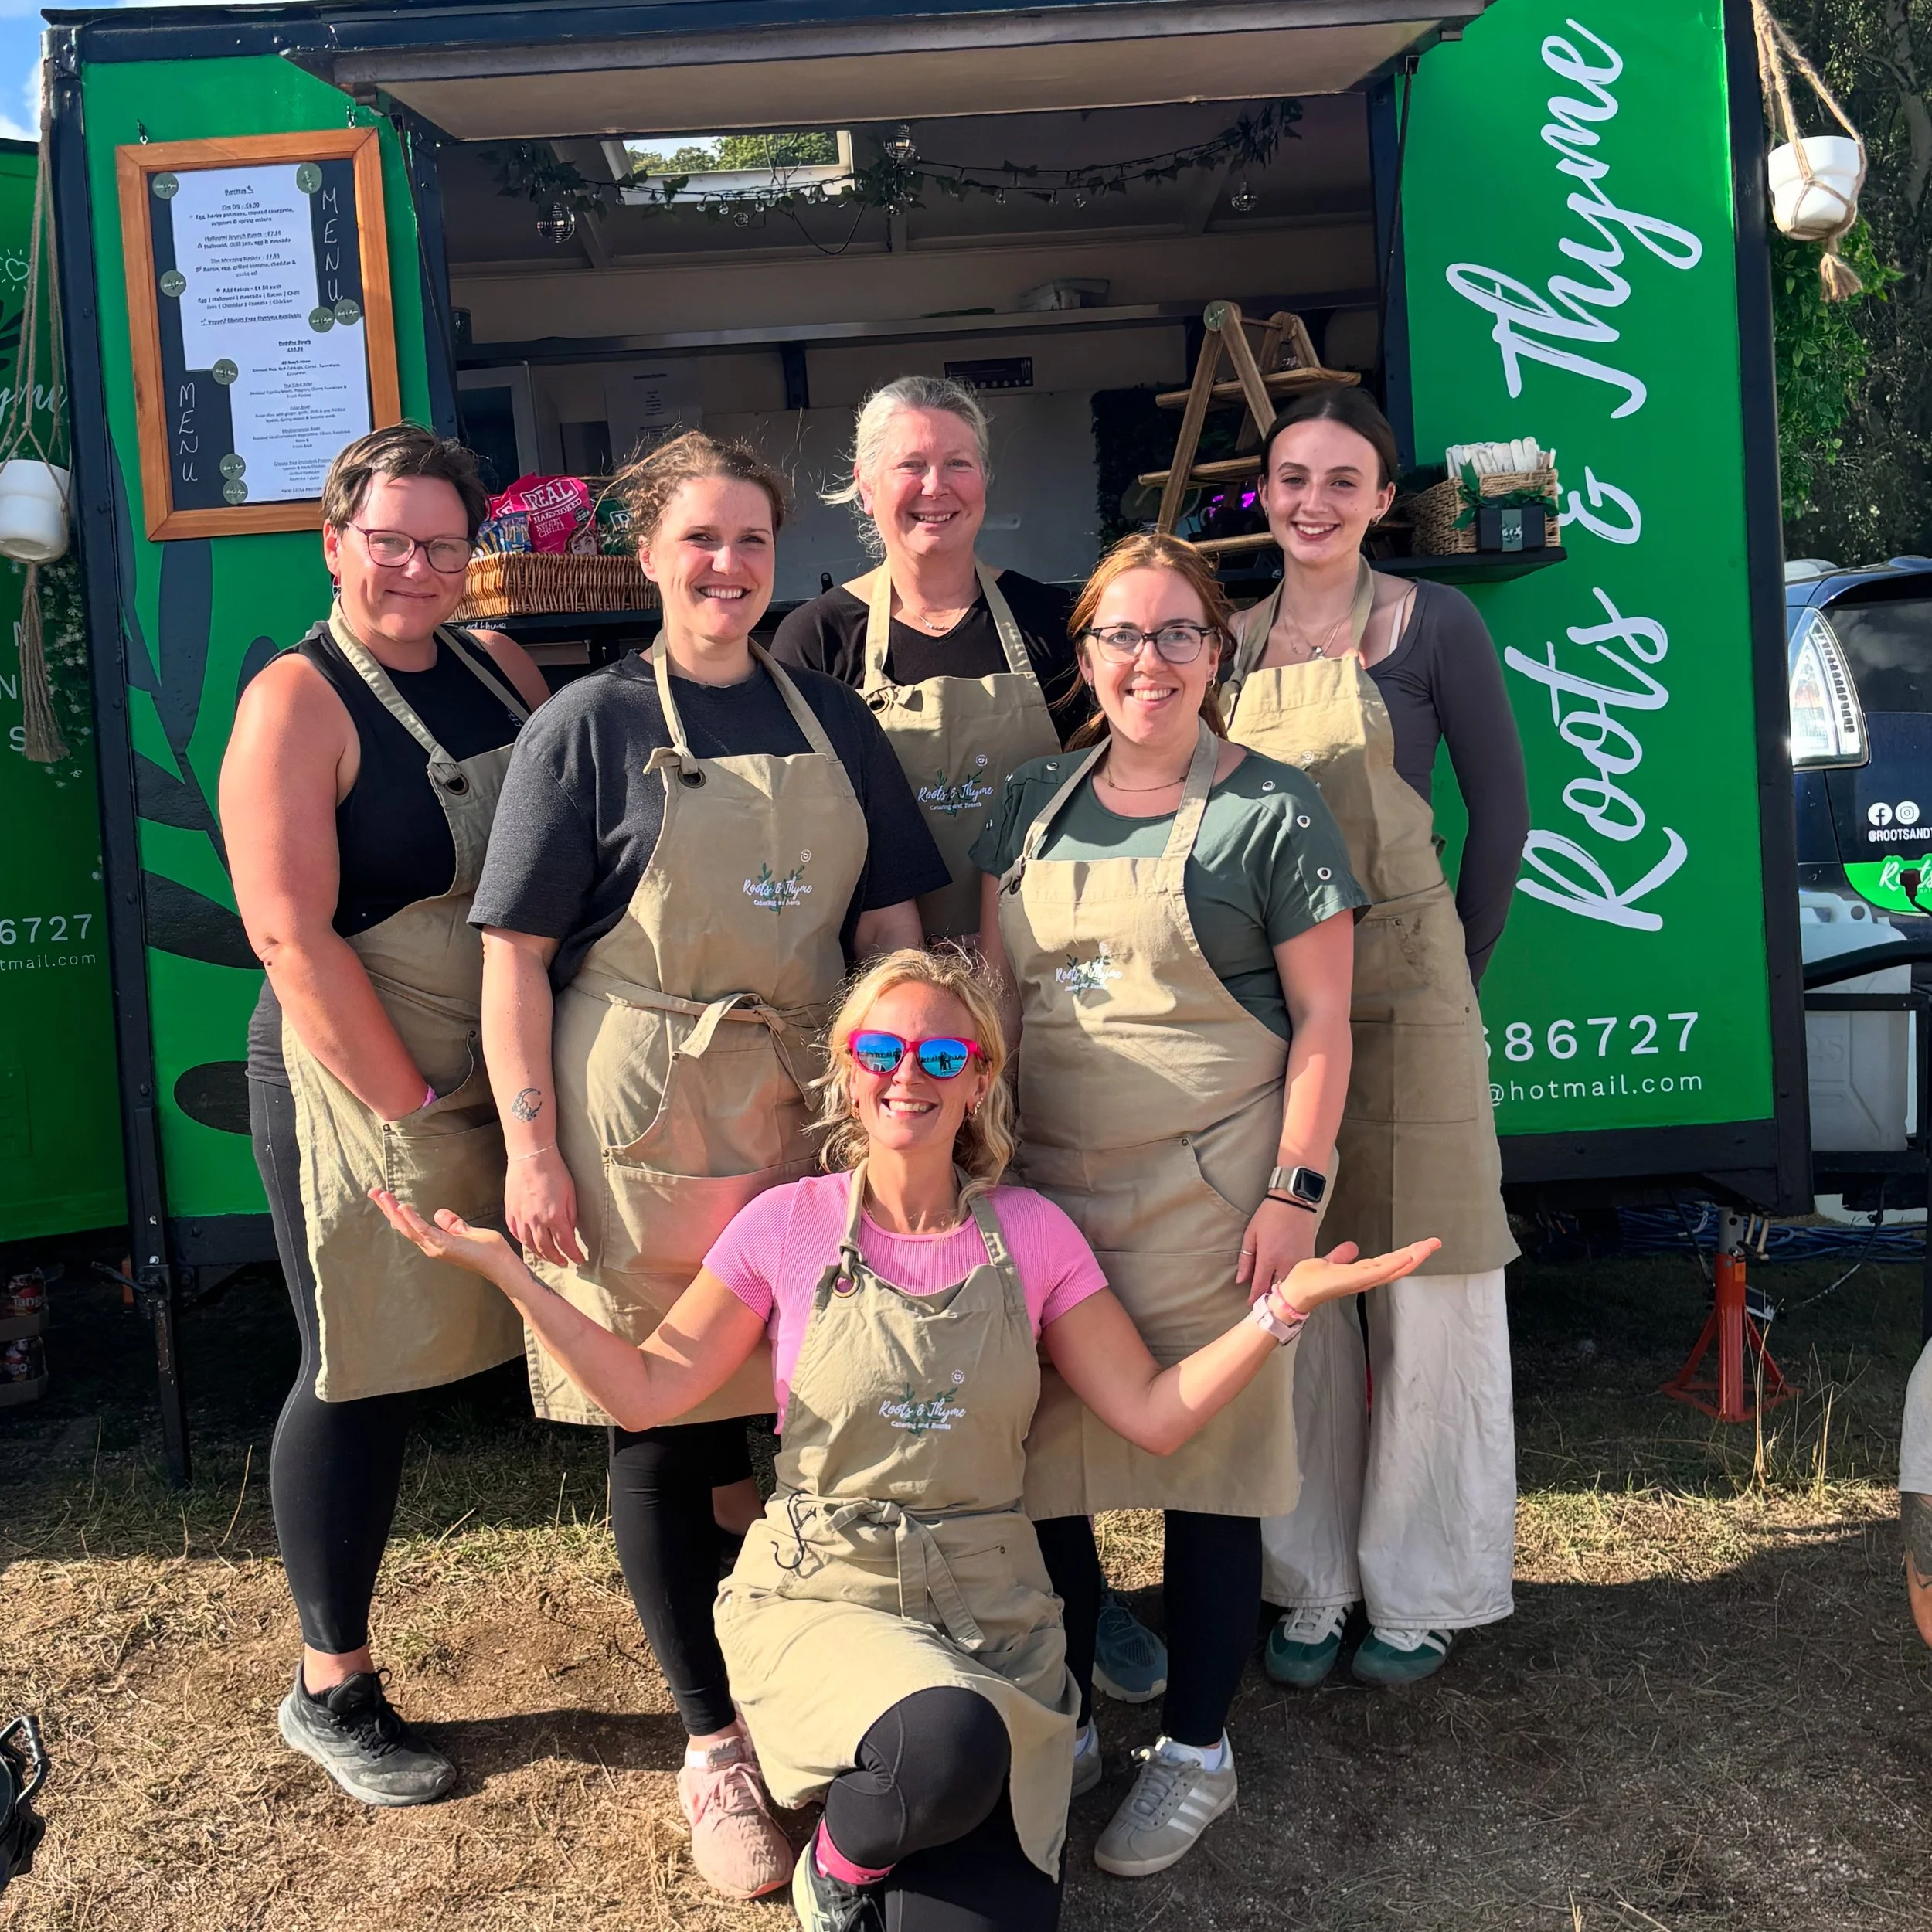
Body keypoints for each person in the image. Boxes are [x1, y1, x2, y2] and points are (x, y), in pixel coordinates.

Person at [368, 947, 1438, 1930]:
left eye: (940, 1053)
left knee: (1001, 1909)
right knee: (947, 1739)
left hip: (990, 1611)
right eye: (880, 1049)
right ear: (845, 1072)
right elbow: (648, 1392)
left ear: (980, 1080)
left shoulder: (1033, 1234)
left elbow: (1153, 1412)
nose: (906, 1075)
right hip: (825, 1592)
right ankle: (840, 1862)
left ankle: (891, 1799)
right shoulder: (785, 1224)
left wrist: (1278, 1311)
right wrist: (514, 1274)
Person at [466, 430, 947, 1899]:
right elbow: (516, 959)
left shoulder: (831, 717)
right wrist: (532, 1151)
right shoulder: (594, 727)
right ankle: (712, 1743)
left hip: (813, 1101)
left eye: (751, 541)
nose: (728, 568)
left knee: (824, 1404)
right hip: (645, 1120)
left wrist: (906, 1097)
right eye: (699, 542)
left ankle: (824, 1675)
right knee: (666, 1427)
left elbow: (884, 925)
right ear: (649, 552)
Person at [975, 532, 1366, 1876]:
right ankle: (1078, 1697)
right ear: (1085, 660)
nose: (1152, 662)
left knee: (1210, 1478)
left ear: (1220, 651)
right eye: (1123, 638)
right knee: (1048, 1472)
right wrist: (983, 1181)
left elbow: (1324, 1023)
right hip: (1050, 1201)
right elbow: (998, 1005)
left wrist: (1295, 1195)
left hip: (1216, 1202)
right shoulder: (1028, 804)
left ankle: (1197, 1749)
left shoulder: (1275, 812)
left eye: (1180, 634)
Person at [221, 424, 550, 1805]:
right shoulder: (296, 700)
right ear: (335, 544)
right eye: (390, 541)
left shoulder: (500, 668)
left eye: (442, 543)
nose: (416, 567)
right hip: (354, 1070)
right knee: (352, 1364)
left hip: (487, 1062)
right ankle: (330, 1684)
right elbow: (291, 936)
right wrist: (408, 1103)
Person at [1221, 385, 1529, 1690]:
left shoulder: (1432, 623)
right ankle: (1307, 1584)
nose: (1313, 503)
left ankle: (1421, 1586)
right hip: (1270, 1004)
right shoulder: (1225, 643)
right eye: (1293, 478)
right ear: (1266, 493)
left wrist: (1451, 964)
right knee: (1291, 1290)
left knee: (1433, 1285)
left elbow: (1503, 815)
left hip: (1414, 984)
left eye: (1343, 481)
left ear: (1381, 501)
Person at [772, 374, 1087, 942]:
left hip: (1045, 963)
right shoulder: (815, 640)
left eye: (958, 463)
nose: (936, 486)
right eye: (910, 465)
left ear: (986, 481)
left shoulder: (1056, 622)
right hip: (882, 976)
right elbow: (798, 835)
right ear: (865, 487)